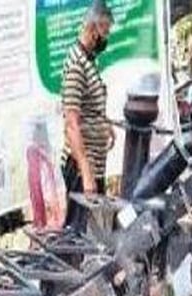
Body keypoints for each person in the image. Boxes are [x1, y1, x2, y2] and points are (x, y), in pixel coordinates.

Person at [60, 0, 114, 233]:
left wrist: (105, 124)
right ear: (93, 29)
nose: (106, 38)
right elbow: (72, 124)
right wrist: (87, 174)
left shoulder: (88, 61)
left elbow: (88, 108)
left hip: (92, 165)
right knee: (77, 238)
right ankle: (69, 270)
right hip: (82, 168)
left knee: (91, 238)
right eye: (105, 31)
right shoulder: (76, 66)